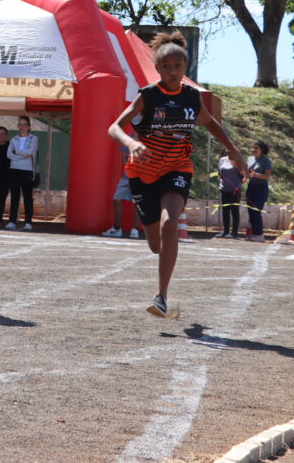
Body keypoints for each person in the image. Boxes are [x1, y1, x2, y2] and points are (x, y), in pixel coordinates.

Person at [109, 31, 246, 319]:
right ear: (157, 68)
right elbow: (114, 127)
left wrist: (233, 149)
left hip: (176, 169)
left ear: (186, 67)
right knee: (155, 245)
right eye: (166, 66)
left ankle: (161, 296)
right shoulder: (148, 95)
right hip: (143, 173)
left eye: (178, 66)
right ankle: (162, 270)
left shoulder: (192, 97)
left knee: (170, 224)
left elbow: (211, 123)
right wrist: (132, 143)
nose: (173, 71)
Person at [103, 138, 142, 239]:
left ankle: (135, 229)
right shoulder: (127, 138)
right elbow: (124, 157)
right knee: (117, 199)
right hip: (127, 176)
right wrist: (130, 171)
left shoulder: (147, 138)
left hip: (142, 177)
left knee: (138, 202)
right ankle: (117, 229)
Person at [7, 115, 38, 230]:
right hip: (14, 169)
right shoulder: (13, 139)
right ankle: (12, 221)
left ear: (29, 126)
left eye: (24, 124)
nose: (22, 126)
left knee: (27, 197)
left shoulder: (34, 138)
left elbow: (31, 152)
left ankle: (28, 222)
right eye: (20, 124)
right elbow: (9, 154)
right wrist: (21, 156)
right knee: (14, 196)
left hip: (27, 170)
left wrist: (17, 152)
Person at [245, 140, 272, 242]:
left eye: (256, 148)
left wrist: (256, 175)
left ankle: (259, 235)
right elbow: (247, 173)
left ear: (262, 149)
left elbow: (267, 176)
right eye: (252, 148)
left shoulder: (266, 160)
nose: (254, 150)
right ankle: (253, 233)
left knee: (256, 211)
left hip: (261, 188)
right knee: (250, 211)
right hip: (251, 187)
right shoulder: (249, 159)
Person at [217, 153, 244, 238]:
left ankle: (234, 232)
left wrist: (237, 167)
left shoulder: (239, 160)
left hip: (235, 190)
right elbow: (219, 173)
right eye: (227, 149)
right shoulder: (222, 159)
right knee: (225, 211)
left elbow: (244, 175)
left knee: (234, 211)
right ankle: (225, 231)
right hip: (224, 189)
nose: (229, 151)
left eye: (231, 149)